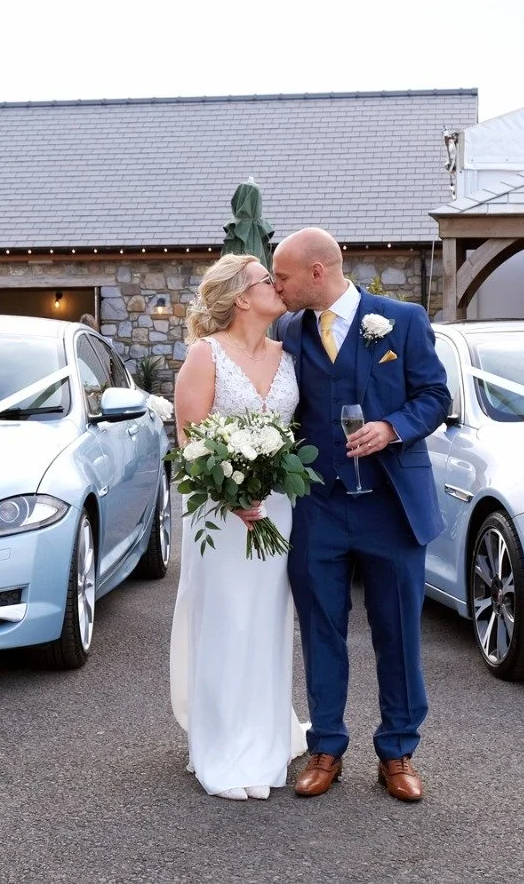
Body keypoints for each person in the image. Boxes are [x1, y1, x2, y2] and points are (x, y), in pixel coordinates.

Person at [271, 228, 451, 802]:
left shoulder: (401, 320)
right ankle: (326, 746)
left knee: (396, 633)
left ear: (318, 272)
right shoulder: (287, 331)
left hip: (390, 507)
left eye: (284, 277)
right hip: (317, 509)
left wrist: (392, 427)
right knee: (321, 630)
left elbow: (435, 396)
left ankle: (398, 753)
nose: (278, 288)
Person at [168, 254, 306, 801]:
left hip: (277, 509)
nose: (277, 285)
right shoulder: (205, 357)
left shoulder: (290, 353)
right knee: (227, 619)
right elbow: (189, 441)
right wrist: (233, 495)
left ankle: (265, 735)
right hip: (220, 515)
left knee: (269, 620)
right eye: (266, 280)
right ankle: (222, 745)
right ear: (242, 298)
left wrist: (263, 492)